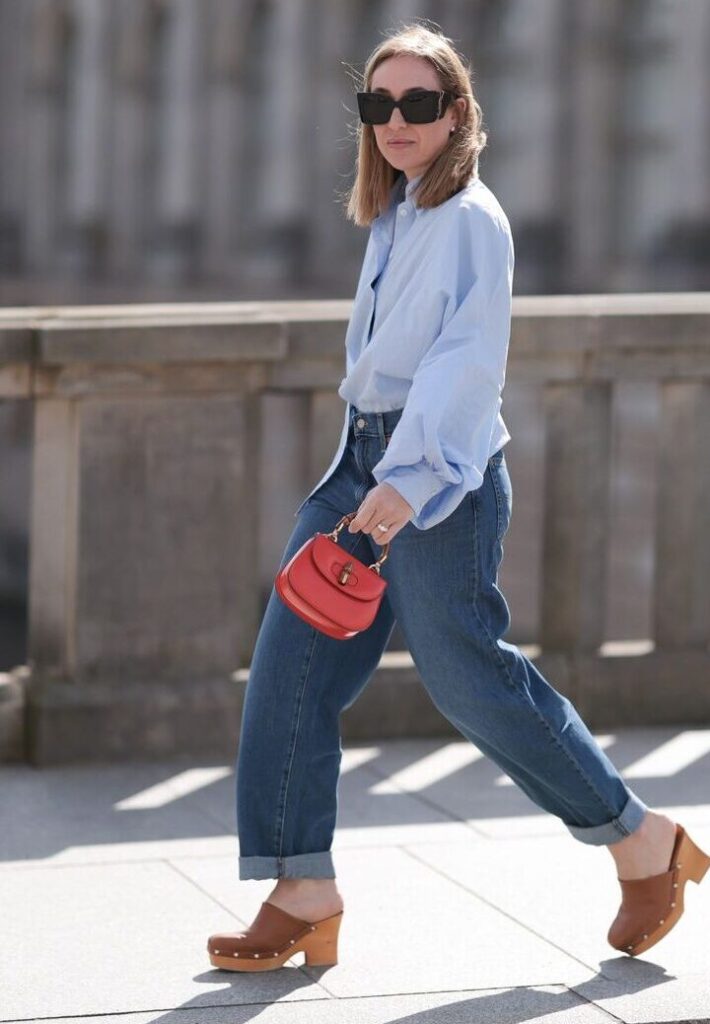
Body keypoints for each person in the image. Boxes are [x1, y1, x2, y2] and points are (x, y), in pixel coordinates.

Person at [207, 23, 709, 971]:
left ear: (456, 115)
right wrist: (370, 472)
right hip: (360, 462)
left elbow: (466, 365)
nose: (396, 121)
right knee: (288, 664)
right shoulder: (396, 211)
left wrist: (405, 485)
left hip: (436, 476)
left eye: (418, 104)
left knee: (469, 679)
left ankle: (642, 841)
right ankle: (303, 886)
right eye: (379, 104)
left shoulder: (472, 219)